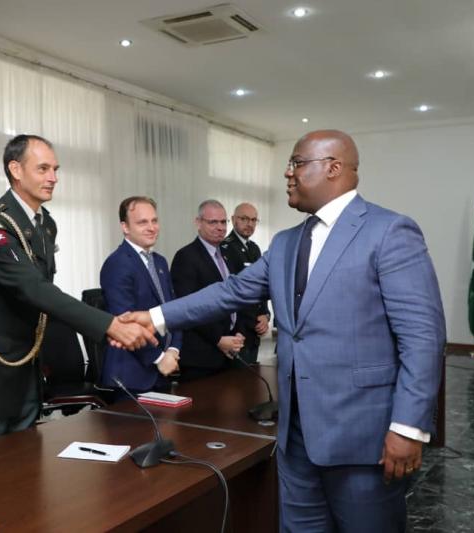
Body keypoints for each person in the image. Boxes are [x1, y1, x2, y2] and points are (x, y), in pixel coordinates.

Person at [122, 130, 445, 532]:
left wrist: (408, 428)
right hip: (296, 438)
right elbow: (232, 291)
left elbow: (422, 337)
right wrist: (154, 317)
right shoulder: (288, 242)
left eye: (296, 163)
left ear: (333, 167)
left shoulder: (389, 231)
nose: (287, 174)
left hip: (363, 439)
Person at [0, 134, 155, 450]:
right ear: (16, 170)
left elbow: (46, 291)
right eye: (43, 169)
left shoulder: (44, 224)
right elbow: (34, 289)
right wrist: (110, 325)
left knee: (24, 475)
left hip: (25, 370)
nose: (53, 178)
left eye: (55, 169)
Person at [100, 196, 181, 394]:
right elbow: (125, 324)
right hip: (131, 378)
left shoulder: (160, 262)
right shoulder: (117, 263)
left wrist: (173, 350)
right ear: (125, 227)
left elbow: (173, 309)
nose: (151, 227)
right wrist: (159, 358)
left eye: (154, 221)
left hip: (163, 372)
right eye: (142, 222)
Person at [169, 199, 245, 381]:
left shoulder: (230, 255)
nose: (220, 227)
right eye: (213, 222)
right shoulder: (186, 257)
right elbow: (188, 308)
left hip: (230, 353)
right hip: (201, 358)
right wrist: (219, 339)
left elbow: (238, 296)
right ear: (198, 223)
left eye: (223, 222)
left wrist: (239, 332)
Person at [221, 202, 270, 364]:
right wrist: (239, 328)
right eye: (244, 219)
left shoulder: (254, 248)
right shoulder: (225, 248)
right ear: (234, 220)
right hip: (237, 331)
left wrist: (265, 314)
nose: (249, 224)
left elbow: (262, 284)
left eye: (254, 220)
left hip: (253, 330)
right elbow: (232, 292)